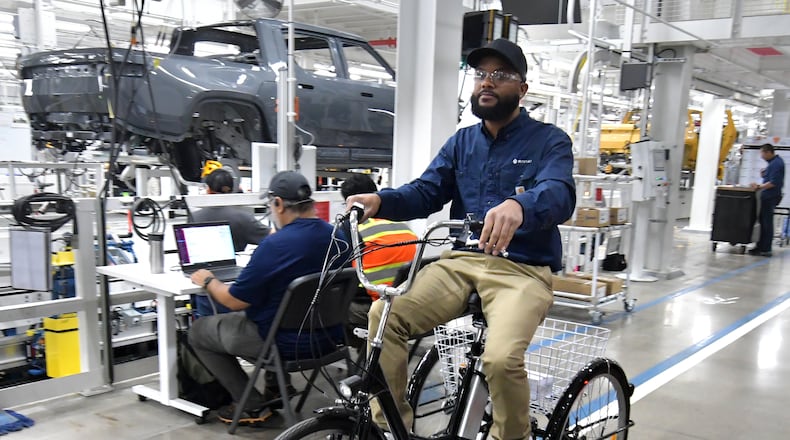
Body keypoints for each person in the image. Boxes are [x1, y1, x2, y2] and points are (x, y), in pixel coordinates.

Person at [347, 39, 575, 440]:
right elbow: (425, 192)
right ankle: (391, 429)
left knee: (501, 360)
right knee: (385, 317)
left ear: (522, 89)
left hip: (521, 270)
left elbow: (559, 192)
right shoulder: (462, 143)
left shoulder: (549, 141)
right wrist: (379, 200)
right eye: (481, 74)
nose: (487, 82)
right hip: (461, 262)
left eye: (501, 75)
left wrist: (521, 207)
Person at [188, 171, 349, 426]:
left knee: (199, 331)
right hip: (331, 339)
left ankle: (250, 405)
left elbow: (232, 301)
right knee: (273, 308)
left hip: (281, 343)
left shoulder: (276, 246)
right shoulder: (339, 236)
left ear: (278, 203)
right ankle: (275, 387)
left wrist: (208, 280)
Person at [339, 173, 417, 342]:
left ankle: (367, 360)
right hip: (412, 303)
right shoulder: (400, 223)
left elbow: (339, 266)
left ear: (348, 202)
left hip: (380, 307)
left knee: (333, 305)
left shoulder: (351, 228)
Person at [190, 167, 271, 317]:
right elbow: (273, 239)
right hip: (237, 291)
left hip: (206, 290)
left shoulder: (194, 217)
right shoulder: (243, 217)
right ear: (232, 190)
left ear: (207, 189)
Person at [750, 143, 785, 257]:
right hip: (766, 196)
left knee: (766, 223)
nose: (761, 156)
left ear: (768, 152)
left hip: (770, 197)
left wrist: (759, 187)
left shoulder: (777, 164)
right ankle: (760, 246)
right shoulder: (773, 163)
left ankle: (765, 249)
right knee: (763, 222)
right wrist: (764, 174)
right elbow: (770, 178)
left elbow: (773, 183)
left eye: (762, 153)